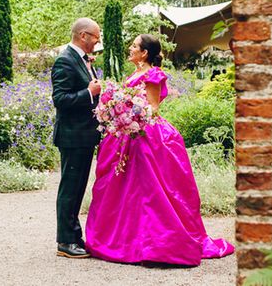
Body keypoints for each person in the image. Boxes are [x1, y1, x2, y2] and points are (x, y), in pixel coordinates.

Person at [85, 34, 234, 265]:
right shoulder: (133, 74)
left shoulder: (153, 74)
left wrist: (128, 115)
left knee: (151, 190)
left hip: (148, 135)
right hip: (127, 133)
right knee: (125, 189)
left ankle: (156, 243)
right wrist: (117, 114)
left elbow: (152, 107)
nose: (130, 48)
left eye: (134, 46)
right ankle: (128, 239)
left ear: (144, 53)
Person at [51, 17, 102, 259]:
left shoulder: (82, 60)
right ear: (83, 36)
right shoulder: (65, 60)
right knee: (70, 190)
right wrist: (88, 92)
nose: (97, 41)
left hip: (84, 135)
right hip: (72, 136)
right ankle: (65, 242)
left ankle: (74, 236)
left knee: (78, 188)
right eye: (95, 37)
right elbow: (60, 100)